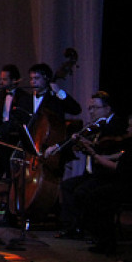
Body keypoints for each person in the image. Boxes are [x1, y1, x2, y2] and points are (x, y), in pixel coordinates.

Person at [43, 91, 126, 239]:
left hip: (107, 175)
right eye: (90, 108)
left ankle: (85, 227)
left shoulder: (115, 126)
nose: (91, 111)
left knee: (81, 191)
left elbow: (109, 148)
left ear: (107, 109)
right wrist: (58, 146)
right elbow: (79, 139)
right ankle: (71, 227)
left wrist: (89, 145)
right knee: (67, 185)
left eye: (95, 108)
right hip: (92, 174)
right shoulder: (97, 125)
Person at [78, 112, 132, 254]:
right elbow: (122, 156)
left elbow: (118, 167)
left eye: (131, 126)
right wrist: (101, 155)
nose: (127, 129)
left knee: (96, 196)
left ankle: (105, 241)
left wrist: (95, 155)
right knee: (100, 193)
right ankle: (104, 239)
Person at [0, 64, 33, 177]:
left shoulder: (23, 96)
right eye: (1, 79)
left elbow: (18, 118)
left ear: (14, 80)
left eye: (4, 79)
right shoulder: (1, 94)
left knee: (12, 166)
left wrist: (3, 129)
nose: (1, 82)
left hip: (14, 135)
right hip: (2, 134)